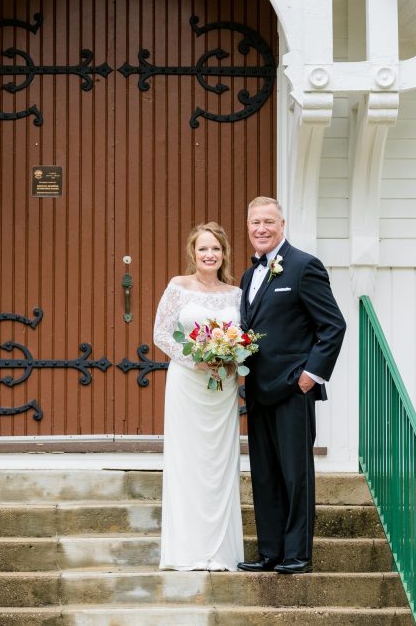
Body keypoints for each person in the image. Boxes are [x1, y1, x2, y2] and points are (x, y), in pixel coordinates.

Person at [236, 196, 346, 575]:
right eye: (255, 223)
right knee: (264, 474)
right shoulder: (249, 276)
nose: (261, 229)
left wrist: (309, 377)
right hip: (259, 392)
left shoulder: (304, 266)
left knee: (296, 474)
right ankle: (270, 552)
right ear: (248, 227)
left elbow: (333, 326)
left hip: (292, 391)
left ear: (282, 225)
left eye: (268, 222)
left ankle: (297, 554)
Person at [152, 222, 245, 571]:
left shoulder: (235, 294)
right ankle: (186, 550)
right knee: (188, 461)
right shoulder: (178, 286)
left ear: (224, 254)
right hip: (188, 383)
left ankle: (221, 552)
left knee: (218, 465)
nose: (210, 255)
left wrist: (228, 359)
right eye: (203, 249)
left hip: (222, 387)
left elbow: (244, 337)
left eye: (216, 249)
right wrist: (199, 359)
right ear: (193, 253)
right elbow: (161, 334)